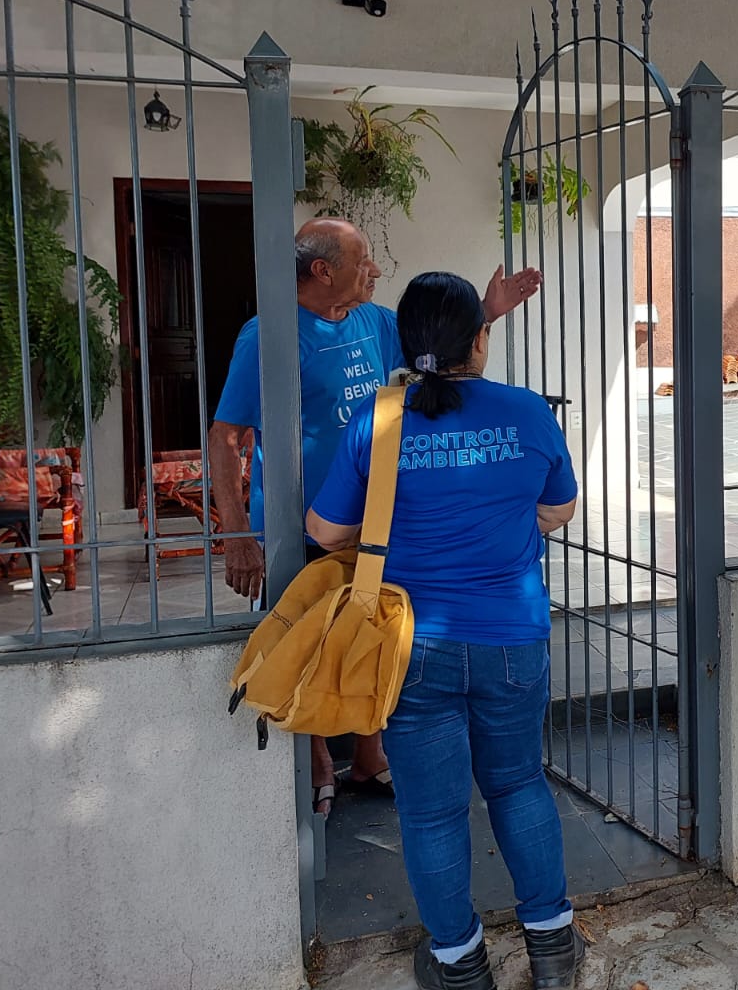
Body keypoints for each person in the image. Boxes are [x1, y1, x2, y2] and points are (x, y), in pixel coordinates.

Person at [306, 271, 582, 990]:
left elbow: (324, 528)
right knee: (520, 785)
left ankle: (460, 966)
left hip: (411, 650)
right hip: (512, 640)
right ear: (480, 340)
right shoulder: (526, 412)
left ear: (404, 344)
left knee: (431, 814)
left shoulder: (380, 418)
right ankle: (553, 952)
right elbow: (559, 510)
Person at [209, 219, 541, 815]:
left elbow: (436, 350)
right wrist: (237, 536)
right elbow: (226, 437)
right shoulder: (267, 337)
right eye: (363, 260)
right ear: (321, 270)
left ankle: (367, 758)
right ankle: (315, 766)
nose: (376, 271)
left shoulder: (372, 321)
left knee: (370, 629)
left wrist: (485, 312)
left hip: (372, 517)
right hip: (300, 524)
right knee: (309, 636)